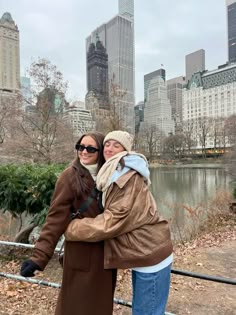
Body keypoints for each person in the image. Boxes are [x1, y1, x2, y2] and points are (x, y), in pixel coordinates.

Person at [65, 130, 173, 315]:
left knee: (146, 312)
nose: (110, 148)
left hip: (150, 253)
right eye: (107, 144)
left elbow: (112, 222)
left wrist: (71, 228)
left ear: (125, 150)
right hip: (142, 253)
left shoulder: (127, 178)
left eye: (117, 145)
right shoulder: (114, 171)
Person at [20, 132, 117, 315]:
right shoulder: (70, 176)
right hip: (81, 254)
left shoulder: (109, 174)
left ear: (101, 151)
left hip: (105, 255)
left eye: (90, 148)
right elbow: (55, 218)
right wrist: (39, 258)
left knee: (100, 306)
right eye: (80, 147)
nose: (84, 152)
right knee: (76, 305)